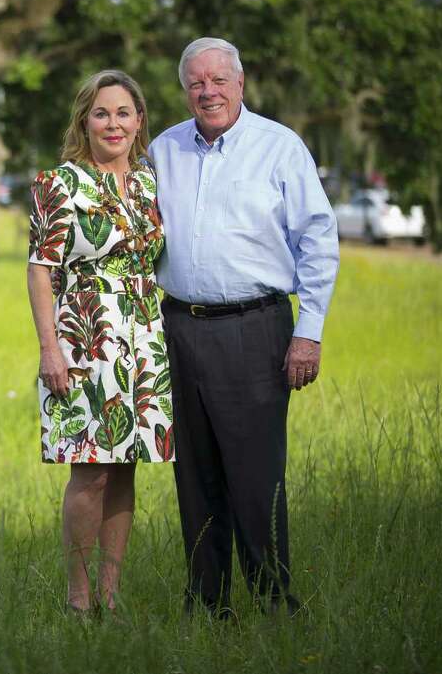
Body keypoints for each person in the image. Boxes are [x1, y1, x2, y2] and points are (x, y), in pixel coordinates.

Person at [149, 37, 339, 617]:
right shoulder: (163, 150)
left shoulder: (279, 148)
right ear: (185, 91)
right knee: (195, 475)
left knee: (256, 477)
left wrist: (308, 331)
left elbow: (318, 240)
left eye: (218, 80)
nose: (207, 92)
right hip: (179, 330)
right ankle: (206, 604)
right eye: (195, 83)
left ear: (241, 82)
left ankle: (274, 603)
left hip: (255, 330)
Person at [27, 70, 174, 615]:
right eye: (102, 113)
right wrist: (49, 349)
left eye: (124, 113)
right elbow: (40, 270)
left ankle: (111, 595)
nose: (114, 123)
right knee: (90, 468)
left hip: (144, 339)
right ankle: (78, 596)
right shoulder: (59, 183)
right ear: (84, 122)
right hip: (85, 337)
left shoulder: (149, 184)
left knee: (127, 464)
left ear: (139, 123)